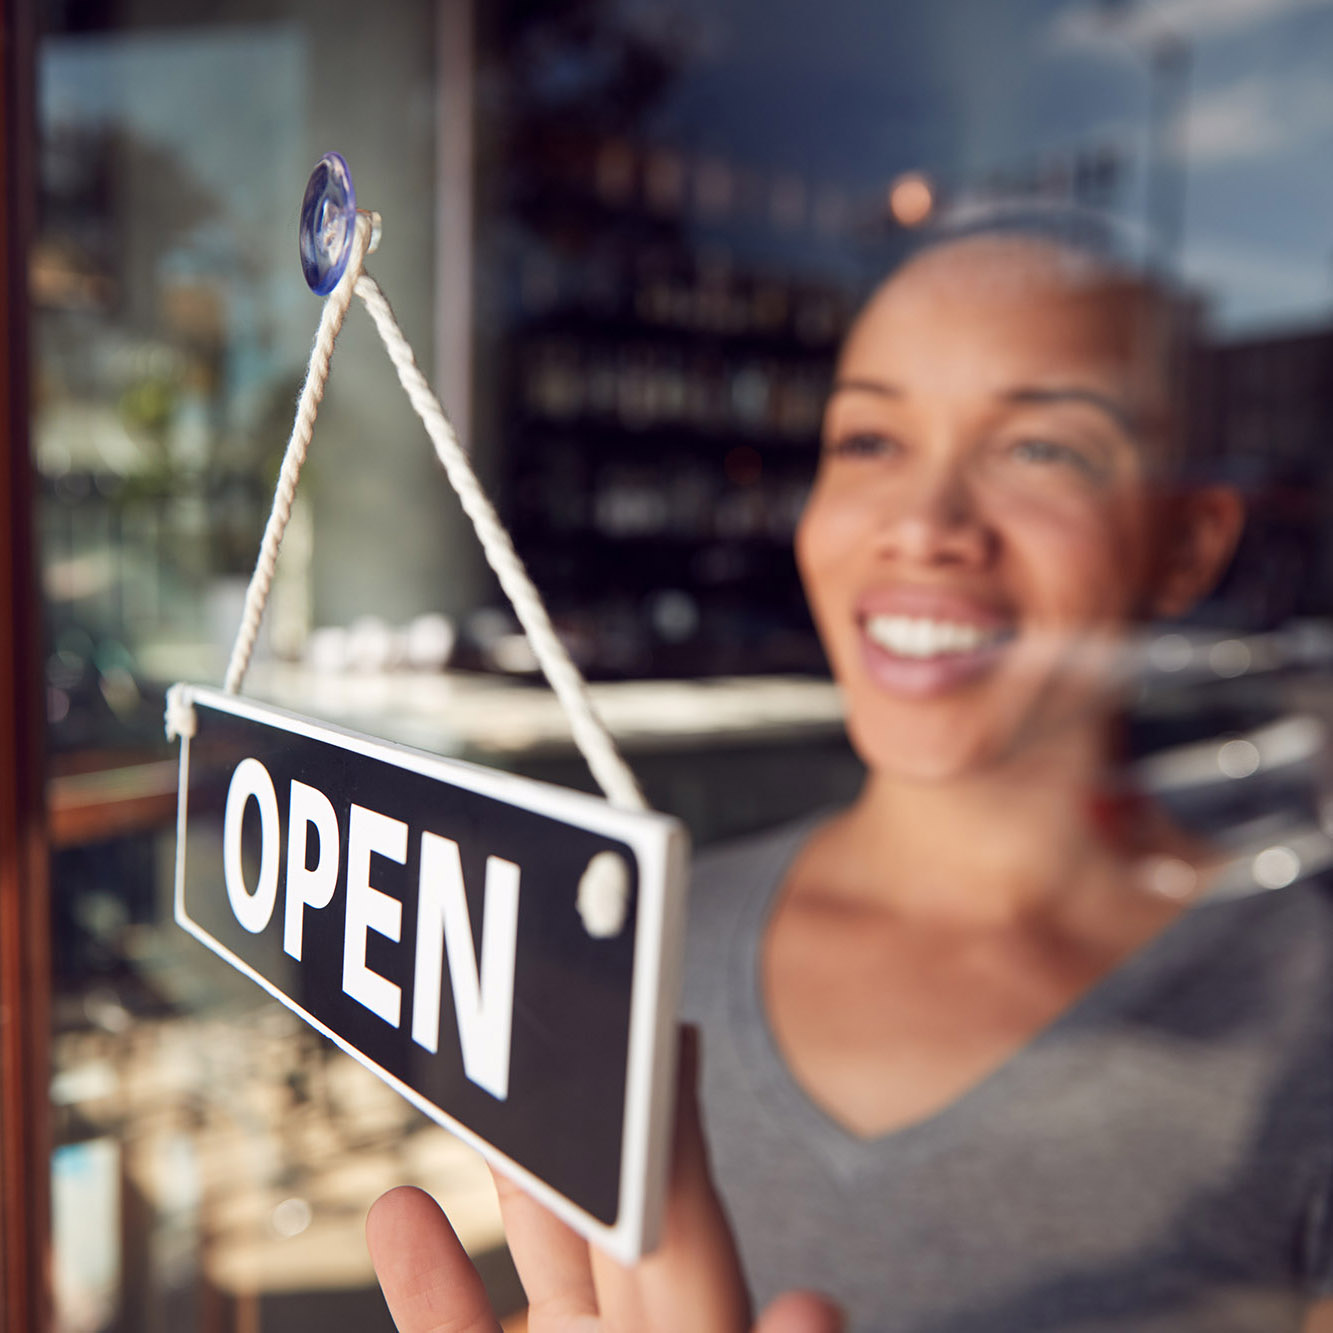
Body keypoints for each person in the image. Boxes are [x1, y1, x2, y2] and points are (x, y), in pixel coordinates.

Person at [366, 226, 1333, 1332]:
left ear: (1188, 544)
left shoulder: (1307, 1026)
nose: (924, 528)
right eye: (870, 440)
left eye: (1041, 451)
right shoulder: (631, 944)